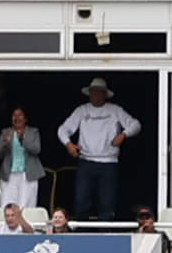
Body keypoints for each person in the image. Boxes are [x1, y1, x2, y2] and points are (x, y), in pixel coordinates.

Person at [58, 79, 142, 226]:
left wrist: (123, 135)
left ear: (105, 94)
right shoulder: (82, 110)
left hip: (108, 163)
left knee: (107, 203)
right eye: (93, 92)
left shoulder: (115, 110)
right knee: (81, 201)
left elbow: (136, 125)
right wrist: (69, 144)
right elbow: (63, 129)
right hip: (86, 162)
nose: (95, 95)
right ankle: (82, 234)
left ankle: (105, 234)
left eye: (98, 92)